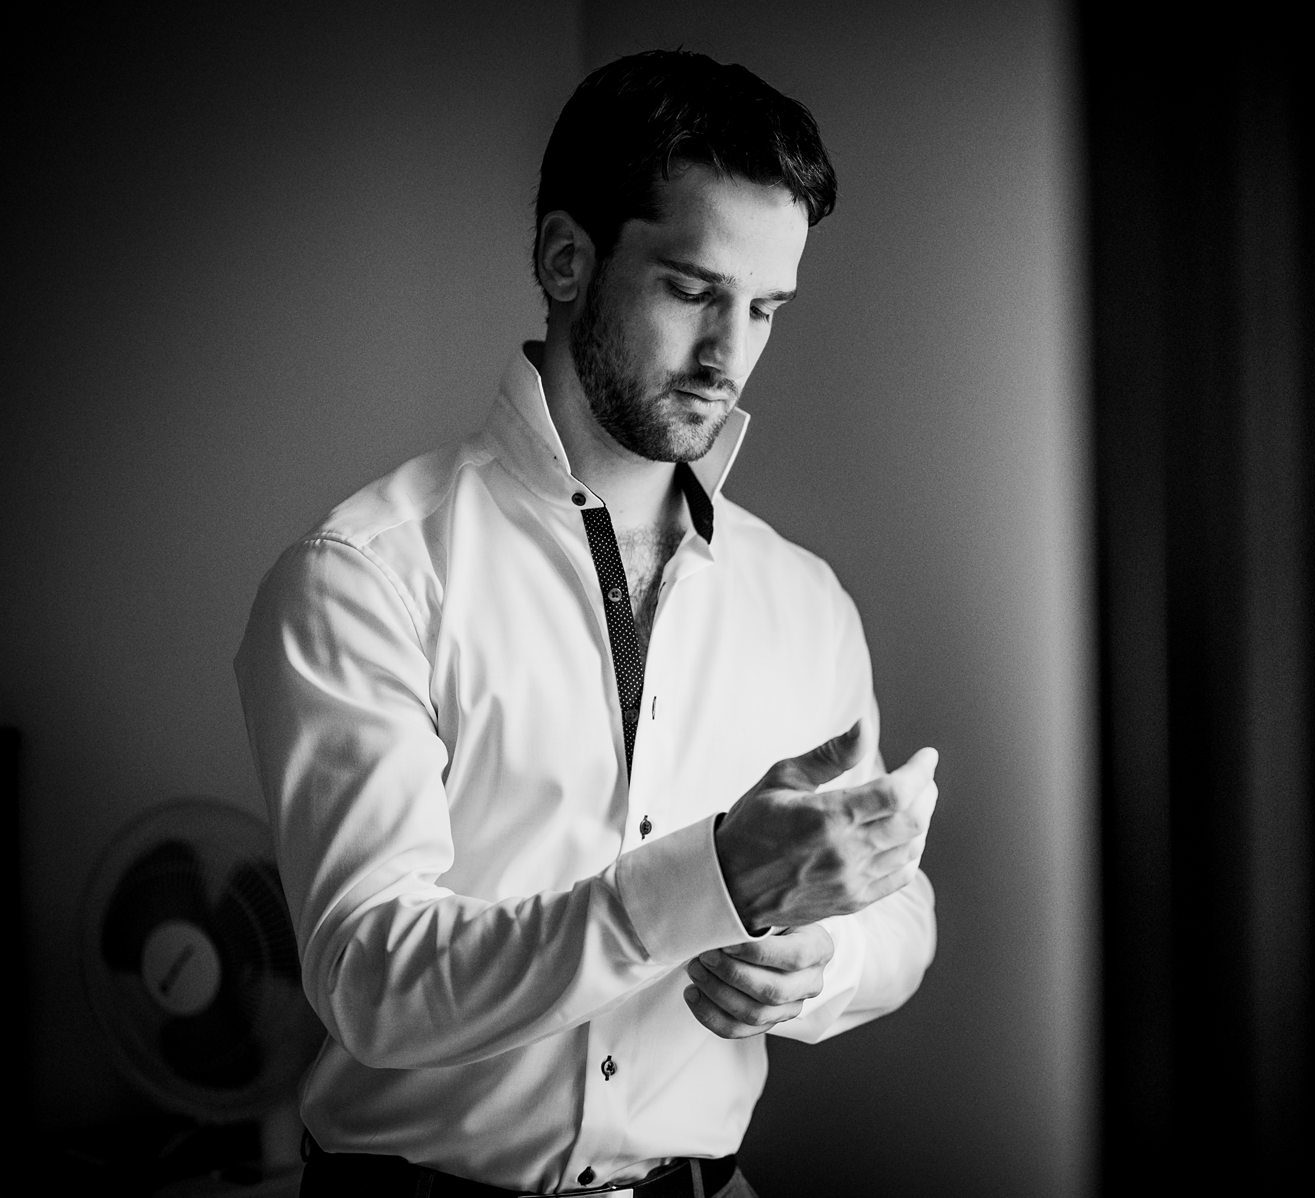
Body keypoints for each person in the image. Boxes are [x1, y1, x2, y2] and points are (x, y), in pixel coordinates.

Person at [234, 49, 939, 1198]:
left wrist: (822, 961)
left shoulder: (805, 601)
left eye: (764, 309)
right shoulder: (365, 577)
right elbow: (371, 976)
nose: (729, 357)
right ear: (568, 259)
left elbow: (900, 913)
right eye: (693, 291)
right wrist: (711, 878)